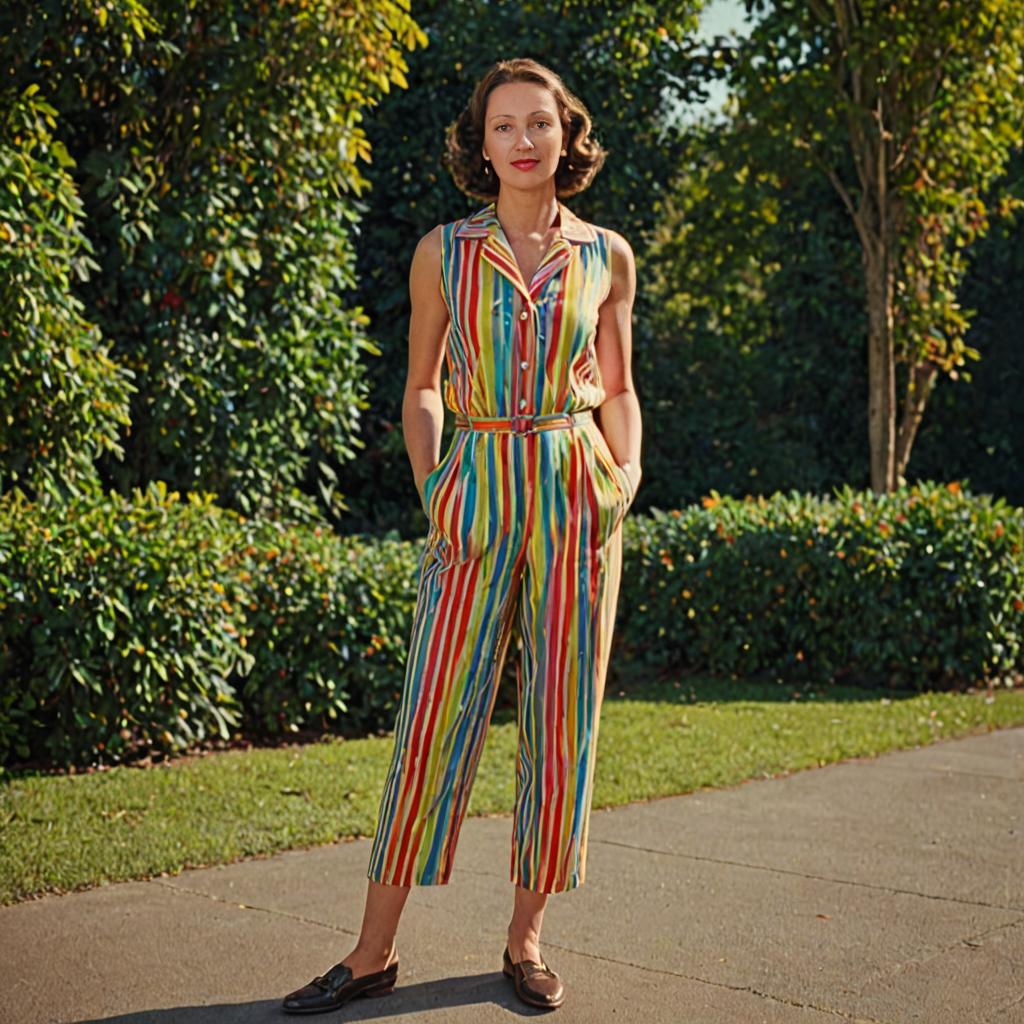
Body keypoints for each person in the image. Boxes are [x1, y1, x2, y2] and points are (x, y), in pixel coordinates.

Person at [282, 56, 642, 1016]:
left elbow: (619, 385)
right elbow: (421, 387)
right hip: (476, 488)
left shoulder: (608, 254)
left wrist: (625, 474)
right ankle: (370, 953)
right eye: (502, 127)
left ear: (568, 135)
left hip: (575, 492)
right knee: (434, 714)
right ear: (480, 146)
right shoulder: (444, 250)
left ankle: (526, 942)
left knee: (564, 724)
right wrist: (439, 489)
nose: (523, 142)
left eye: (539, 123)